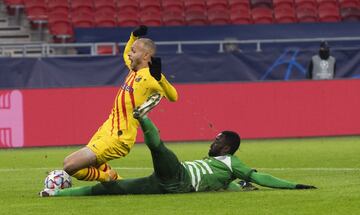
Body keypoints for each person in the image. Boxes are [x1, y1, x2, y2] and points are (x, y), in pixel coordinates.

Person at [40, 98, 316, 197]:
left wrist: (293, 186)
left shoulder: (234, 164)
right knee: (113, 188)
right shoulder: (223, 171)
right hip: (163, 183)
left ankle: (143, 117)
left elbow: (258, 177)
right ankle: (55, 195)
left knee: (160, 150)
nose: (213, 141)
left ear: (228, 146)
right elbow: (224, 185)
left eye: (218, 139)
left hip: (179, 178)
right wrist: (240, 188)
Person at [62, 25, 178, 183]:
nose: (129, 53)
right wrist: (133, 36)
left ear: (145, 56)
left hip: (119, 137)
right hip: (106, 129)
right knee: (88, 165)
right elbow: (125, 52)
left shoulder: (151, 77)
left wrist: (160, 79)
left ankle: (110, 178)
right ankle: (113, 179)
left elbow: (174, 97)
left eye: (134, 51)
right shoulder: (133, 69)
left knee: (70, 165)